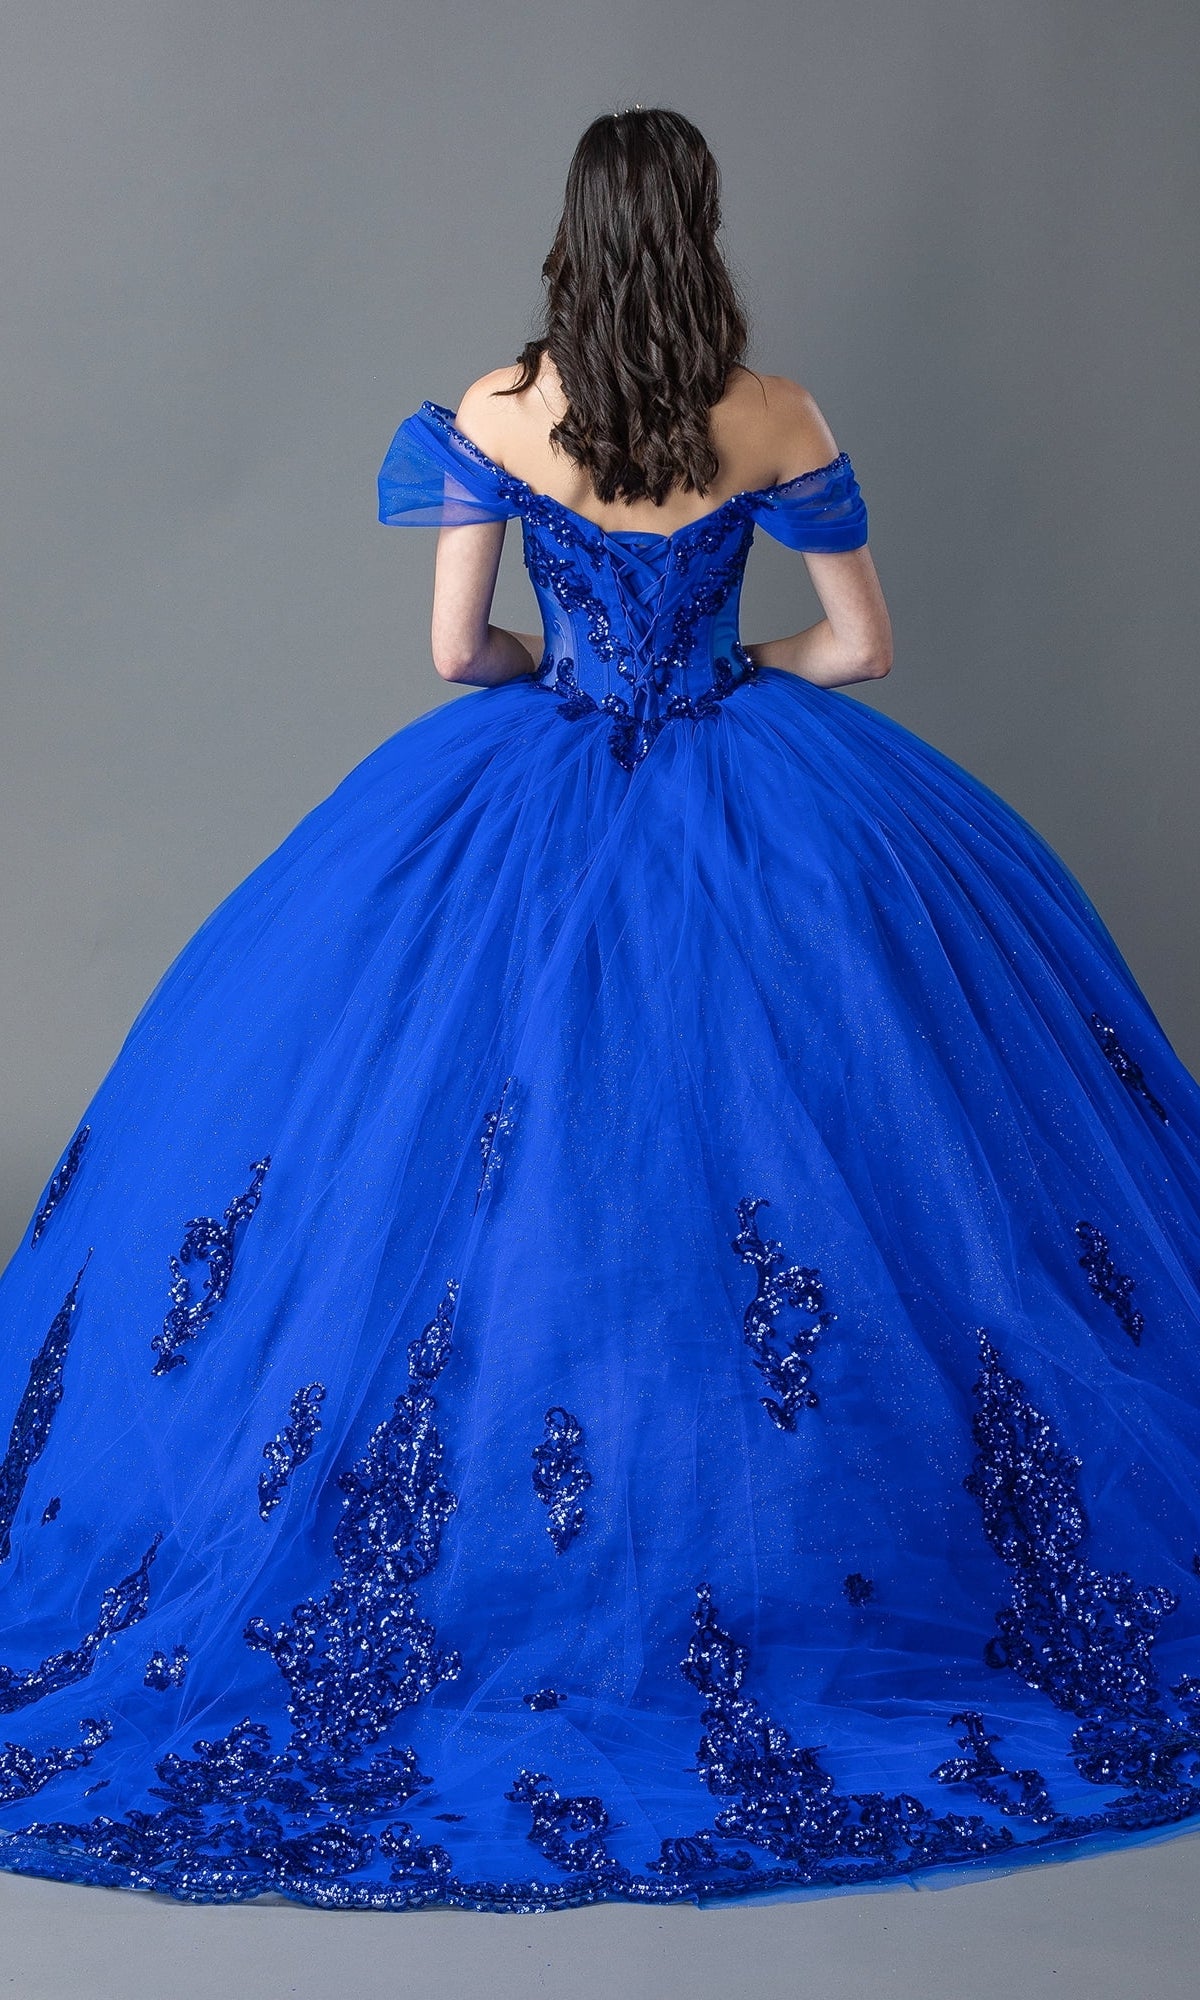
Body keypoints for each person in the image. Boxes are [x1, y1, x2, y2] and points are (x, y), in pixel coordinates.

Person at [0, 104, 1198, 1917]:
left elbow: (451, 655)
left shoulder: (494, 412)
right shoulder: (774, 412)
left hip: (536, 790)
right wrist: (733, 676)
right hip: (755, 794)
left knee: (471, 1171)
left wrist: (548, 680)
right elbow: (863, 648)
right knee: (844, 1161)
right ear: (703, 230)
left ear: (575, 233)